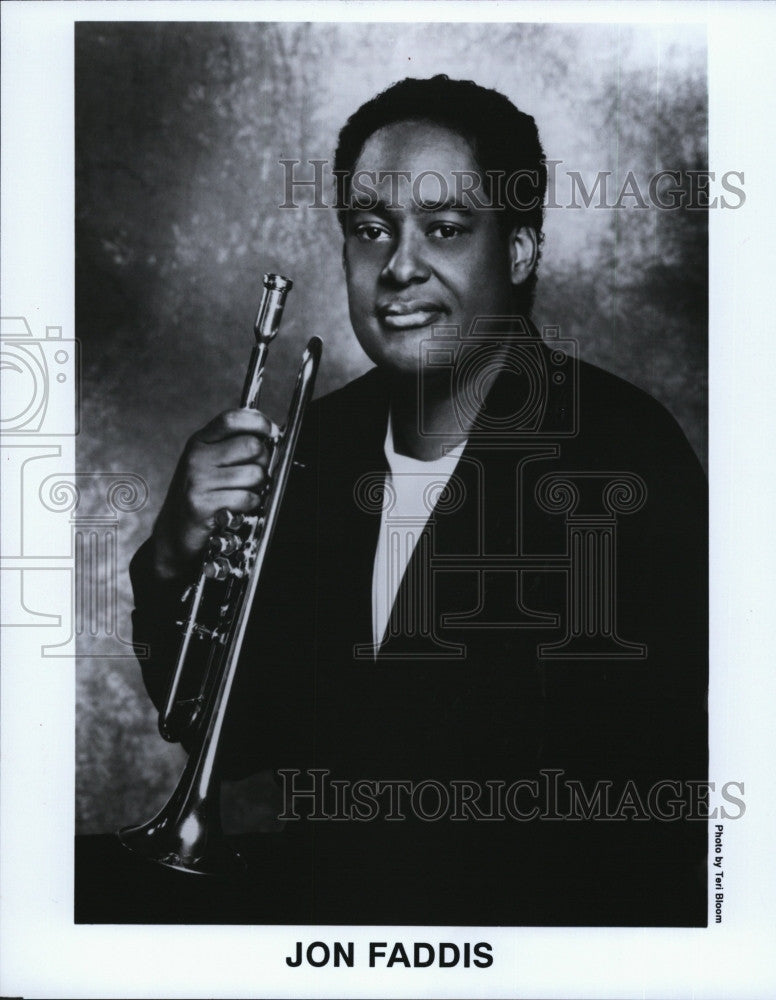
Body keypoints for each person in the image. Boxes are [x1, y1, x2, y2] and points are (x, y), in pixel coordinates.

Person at [129, 76, 708, 925]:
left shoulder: (624, 454)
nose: (398, 267)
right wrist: (176, 551)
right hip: (340, 927)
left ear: (517, 251)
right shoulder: (315, 446)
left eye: (443, 228)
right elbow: (233, 733)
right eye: (370, 230)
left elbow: (639, 810)